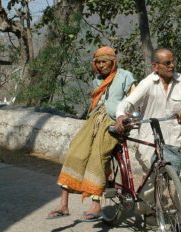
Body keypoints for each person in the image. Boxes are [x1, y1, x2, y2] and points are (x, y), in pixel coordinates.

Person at [115, 48, 181, 232]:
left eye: (173, 61)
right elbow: (127, 104)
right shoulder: (147, 84)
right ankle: (148, 208)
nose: (172, 66)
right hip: (151, 142)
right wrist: (121, 116)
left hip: (179, 142)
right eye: (167, 63)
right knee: (153, 180)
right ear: (155, 66)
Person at [47, 46, 135, 221]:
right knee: (75, 152)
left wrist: (124, 118)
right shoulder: (96, 81)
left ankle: (96, 205)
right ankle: (63, 205)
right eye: (98, 62)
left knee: (97, 157)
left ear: (113, 61)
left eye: (104, 61)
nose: (101, 65)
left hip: (114, 123)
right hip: (94, 121)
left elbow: (134, 99)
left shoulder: (125, 76)